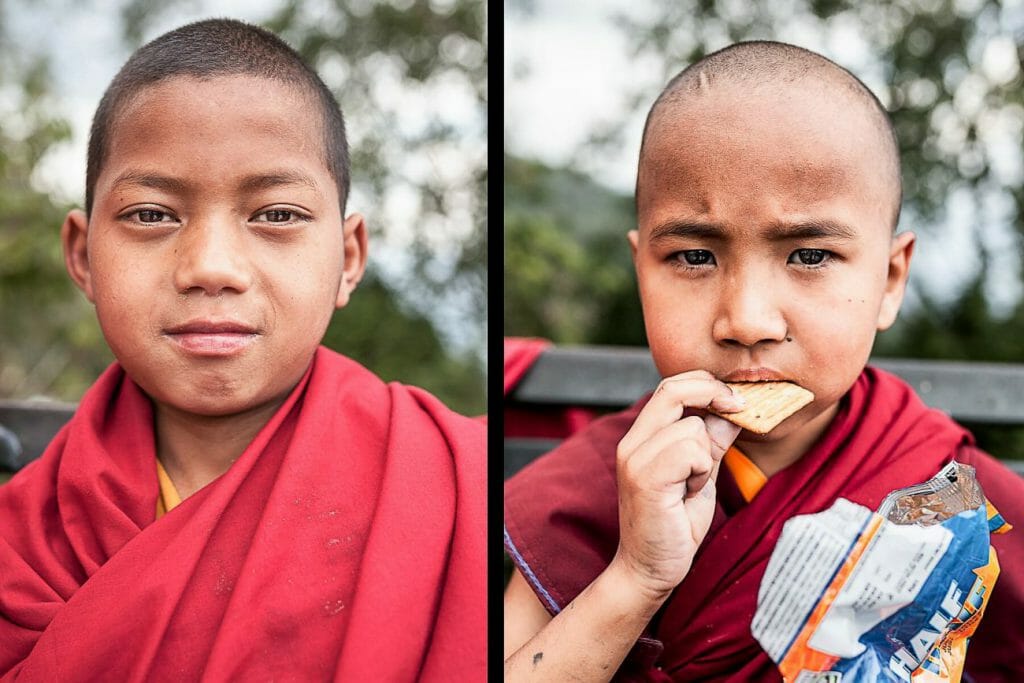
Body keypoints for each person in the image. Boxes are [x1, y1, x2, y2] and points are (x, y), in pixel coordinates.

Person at [503, 40, 1024, 681]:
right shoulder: (595, 488)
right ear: (642, 271)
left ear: (890, 279)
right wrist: (636, 578)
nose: (747, 320)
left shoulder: (955, 493)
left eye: (808, 255)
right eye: (694, 257)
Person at [0, 18, 485, 681]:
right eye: (151, 214)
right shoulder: (22, 542)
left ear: (348, 258)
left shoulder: (453, 482)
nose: (211, 266)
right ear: (83, 256)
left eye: (276, 214)